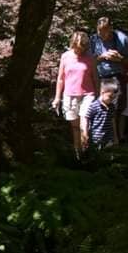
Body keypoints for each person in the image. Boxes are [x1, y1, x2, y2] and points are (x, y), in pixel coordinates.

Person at [53, 28, 98, 157]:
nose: (80, 50)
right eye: (77, 47)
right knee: (75, 127)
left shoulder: (90, 58)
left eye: (82, 47)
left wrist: (99, 94)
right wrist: (57, 98)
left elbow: (96, 77)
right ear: (73, 44)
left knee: (84, 122)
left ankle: (86, 145)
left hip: (87, 94)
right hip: (70, 95)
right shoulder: (65, 57)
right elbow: (61, 78)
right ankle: (78, 153)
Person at [84, 79, 120, 150]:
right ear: (102, 92)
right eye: (110, 97)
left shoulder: (111, 106)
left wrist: (115, 136)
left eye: (114, 97)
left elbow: (113, 121)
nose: (111, 99)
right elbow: (86, 118)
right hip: (95, 138)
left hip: (108, 137)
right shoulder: (94, 106)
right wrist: (86, 133)